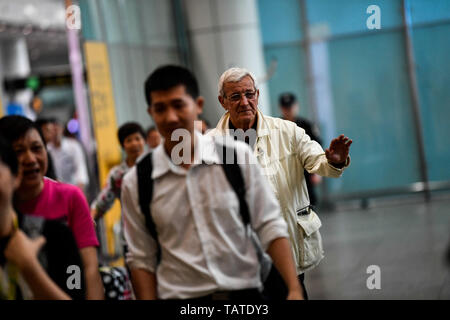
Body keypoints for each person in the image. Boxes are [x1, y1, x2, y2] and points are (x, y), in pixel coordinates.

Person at [121, 65, 303, 300]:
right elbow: (141, 257)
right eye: (160, 108)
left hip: (246, 295)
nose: (170, 117)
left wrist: (294, 289)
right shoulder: (137, 181)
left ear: (197, 105)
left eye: (178, 105)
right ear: (150, 113)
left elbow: (269, 224)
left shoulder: (236, 158)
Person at [209, 67, 352, 299]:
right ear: (222, 101)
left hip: (285, 249)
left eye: (249, 94)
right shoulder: (210, 144)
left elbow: (318, 162)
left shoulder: (287, 131)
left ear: (257, 95)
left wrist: (334, 160)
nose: (244, 102)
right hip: (239, 255)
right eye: (235, 96)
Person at [0, 115, 104, 300]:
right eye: (18, 151)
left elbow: (87, 269)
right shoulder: (4, 207)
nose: (30, 159)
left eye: (37, 148)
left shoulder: (70, 198)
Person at [0, 135, 70, 300]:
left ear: (16, 177)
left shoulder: (58, 236)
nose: (30, 158)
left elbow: (76, 290)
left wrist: (30, 268)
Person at [90, 122, 146, 254]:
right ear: (122, 145)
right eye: (129, 140)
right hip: (131, 238)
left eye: (138, 139)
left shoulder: (155, 166)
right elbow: (103, 201)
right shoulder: (118, 174)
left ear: (144, 141)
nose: (134, 144)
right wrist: (89, 219)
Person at [279, 92, 322, 206]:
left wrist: (317, 172)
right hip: (285, 172)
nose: (288, 110)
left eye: (291, 107)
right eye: (285, 107)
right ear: (281, 108)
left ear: (296, 105)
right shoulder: (277, 127)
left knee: (309, 203)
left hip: (305, 171)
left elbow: (317, 148)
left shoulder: (306, 125)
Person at [47, 120, 89, 193]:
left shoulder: (73, 146)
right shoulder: (47, 150)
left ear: (61, 129)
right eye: (52, 131)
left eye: (56, 129)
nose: (55, 133)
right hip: (56, 192)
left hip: (74, 188)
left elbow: (80, 169)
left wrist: (79, 191)